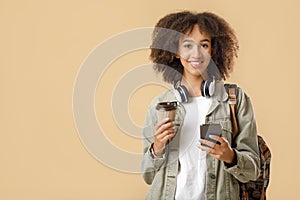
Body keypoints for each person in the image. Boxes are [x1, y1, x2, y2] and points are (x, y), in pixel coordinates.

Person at [141, 11, 260, 200]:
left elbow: (253, 170)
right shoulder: (160, 105)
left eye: (204, 45)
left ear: (214, 50)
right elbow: (147, 175)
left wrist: (230, 156)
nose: (196, 53)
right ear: (176, 51)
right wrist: (157, 148)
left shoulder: (235, 100)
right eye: (187, 45)